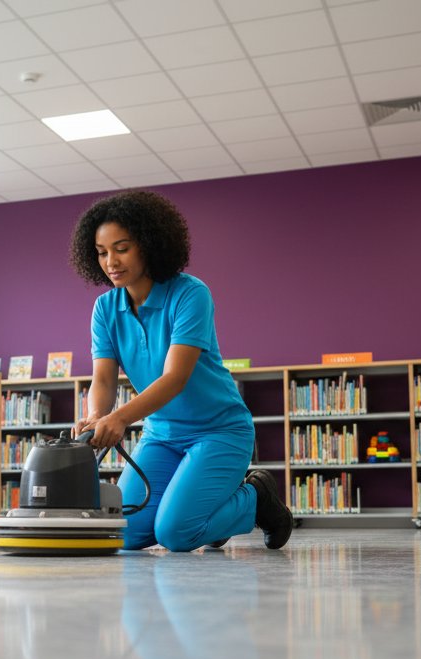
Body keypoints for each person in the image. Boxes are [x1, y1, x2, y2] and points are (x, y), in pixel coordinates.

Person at [70, 190, 293, 552]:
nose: (110, 261)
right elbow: (103, 379)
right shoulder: (105, 308)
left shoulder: (190, 294)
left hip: (219, 430)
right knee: (124, 533)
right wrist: (96, 416)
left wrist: (121, 418)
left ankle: (257, 497)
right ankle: (208, 518)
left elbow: (175, 378)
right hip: (162, 435)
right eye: (101, 252)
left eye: (122, 248)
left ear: (148, 244)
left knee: (175, 534)